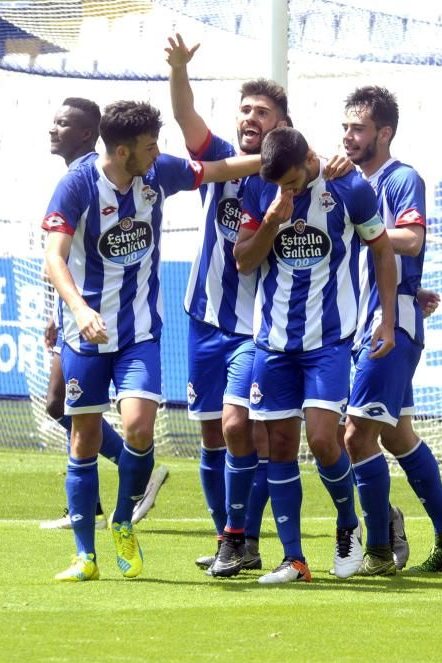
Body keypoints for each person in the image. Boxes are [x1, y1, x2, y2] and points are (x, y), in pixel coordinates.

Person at [44, 100, 262, 582]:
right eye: (149, 146)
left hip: (140, 331)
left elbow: (217, 168)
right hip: (87, 333)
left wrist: (281, 157)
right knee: (82, 437)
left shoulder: (156, 172)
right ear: (123, 152)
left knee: (139, 429)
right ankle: (85, 555)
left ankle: (122, 520)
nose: (158, 152)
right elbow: (54, 259)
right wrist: (79, 311)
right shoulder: (77, 184)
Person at [234, 127, 398, 584]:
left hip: (328, 340)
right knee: (280, 446)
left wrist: (385, 319)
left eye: (291, 181)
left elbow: (382, 250)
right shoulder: (259, 189)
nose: (285, 191)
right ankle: (295, 560)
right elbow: (243, 260)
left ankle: (349, 527)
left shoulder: (349, 187)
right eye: (278, 184)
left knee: (326, 440)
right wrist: (270, 220)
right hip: (272, 340)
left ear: (310, 158)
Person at [341, 86, 442, 576]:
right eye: (346, 127)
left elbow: (411, 240)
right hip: (359, 323)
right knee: (395, 436)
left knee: (355, 436)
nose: (349, 137)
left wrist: (366, 233)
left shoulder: (400, 179)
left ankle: (378, 549)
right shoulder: (348, 182)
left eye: (358, 128)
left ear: (384, 132)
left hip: (387, 326)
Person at [166, 34, 275, 577]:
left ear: (280, 124)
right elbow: (184, 116)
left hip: (255, 327)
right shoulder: (219, 160)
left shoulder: (285, 180)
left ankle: (244, 536)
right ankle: (230, 538)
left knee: (242, 428)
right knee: (212, 430)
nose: (251, 116)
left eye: (262, 111)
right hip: (203, 317)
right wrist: (180, 70)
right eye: (246, 109)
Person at [39, 97, 169, 532]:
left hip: (112, 321)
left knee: (65, 405)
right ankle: (91, 506)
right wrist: (59, 311)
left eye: (62, 123)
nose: (52, 129)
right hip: (79, 317)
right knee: (63, 405)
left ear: (87, 134)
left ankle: (130, 480)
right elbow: (65, 258)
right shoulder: (74, 182)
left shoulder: (106, 177)